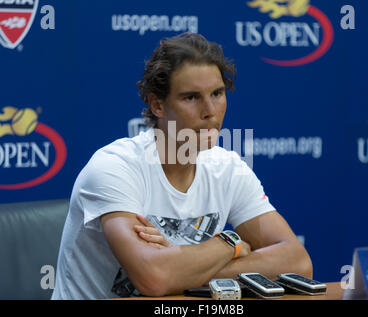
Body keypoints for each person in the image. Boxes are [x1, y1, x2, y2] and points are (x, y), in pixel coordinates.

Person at [52, 32, 312, 300]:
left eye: (217, 93)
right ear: (157, 105)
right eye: (191, 97)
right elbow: (154, 279)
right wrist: (230, 243)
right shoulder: (115, 168)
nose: (210, 110)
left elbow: (297, 261)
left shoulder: (228, 168)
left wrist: (182, 267)